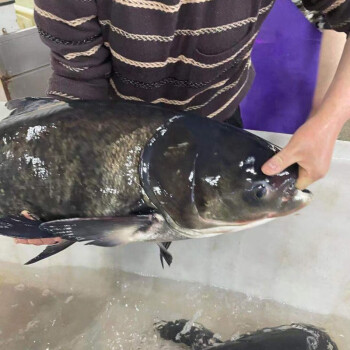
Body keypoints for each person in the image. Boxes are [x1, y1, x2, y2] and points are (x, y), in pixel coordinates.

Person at [16, 0, 350, 245]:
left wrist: (328, 121)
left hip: (216, 127)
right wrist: (60, 194)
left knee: (216, 236)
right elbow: (79, 80)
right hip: (113, 146)